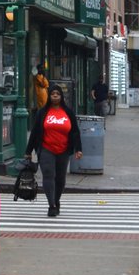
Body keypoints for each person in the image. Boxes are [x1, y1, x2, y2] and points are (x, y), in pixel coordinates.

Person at [25, 82, 82, 217]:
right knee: (49, 175)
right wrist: (28, 151)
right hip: (46, 149)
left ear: (61, 97)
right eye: (52, 94)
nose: (55, 97)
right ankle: (51, 205)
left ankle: (56, 200)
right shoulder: (42, 112)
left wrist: (78, 149)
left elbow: (75, 132)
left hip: (63, 150)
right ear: (49, 96)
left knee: (60, 179)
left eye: (57, 94)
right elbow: (35, 132)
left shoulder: (68, 112)